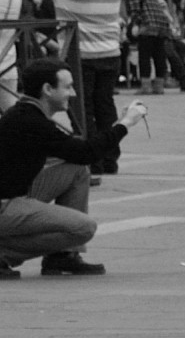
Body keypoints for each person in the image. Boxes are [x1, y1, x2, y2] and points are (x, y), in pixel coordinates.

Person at [0, 56, 132, 277]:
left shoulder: (27, 114)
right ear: (47, 89)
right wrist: (125, 124)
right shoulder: (31, 122)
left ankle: (62, 256)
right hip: (5, 204)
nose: (73, 93)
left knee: (76, 170)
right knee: (83, 228)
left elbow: (79, 156)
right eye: (68, 87)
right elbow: (87, 152)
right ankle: (4, 254)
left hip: (13, 194)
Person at [27, 0, 128, 175]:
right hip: (110, 52)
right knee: (106, 106)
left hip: (78, 54)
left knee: (82, 110)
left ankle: (93, 159)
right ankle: (110, 158)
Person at [127, 0, 182, 96]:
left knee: (144, 55)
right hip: (161, 24)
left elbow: (134, 7)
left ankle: (145, 86)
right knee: (159, 55)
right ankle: (159, 86)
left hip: (148, 24)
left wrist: (136, 24)